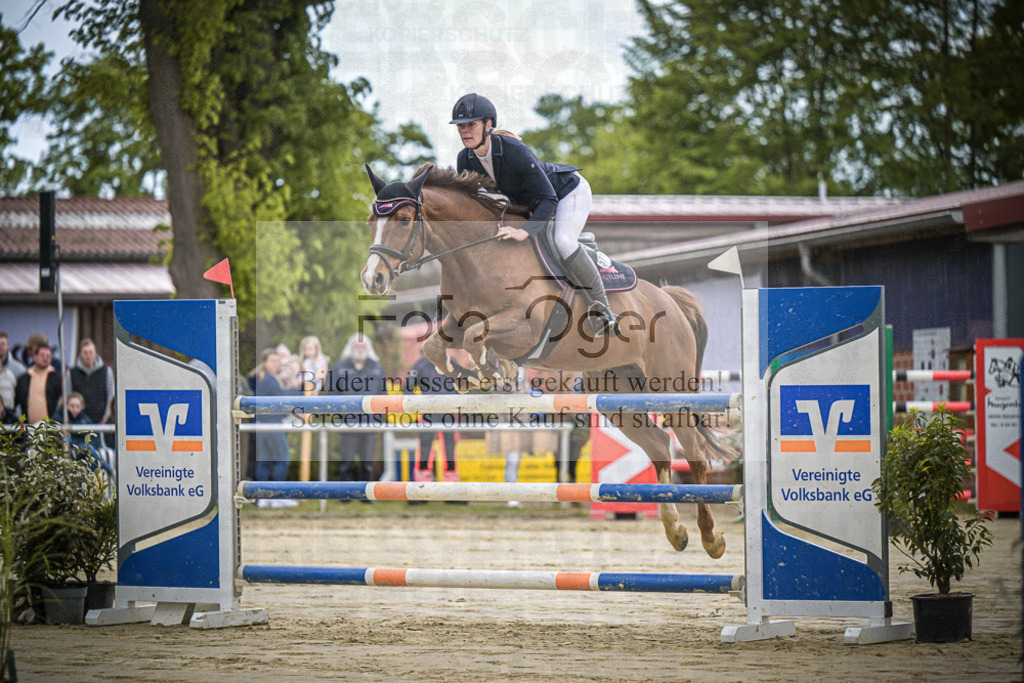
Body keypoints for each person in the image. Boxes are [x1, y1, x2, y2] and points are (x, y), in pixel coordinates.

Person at [450, 92, 620, 337]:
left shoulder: (513, 150)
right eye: (461, 126)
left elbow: (549, 198)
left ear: (488, 125)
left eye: (471, 124)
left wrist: (524, 231)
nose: (465, 131)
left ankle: (603, 311)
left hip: (567, 192)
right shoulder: (464, 159)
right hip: (529, 203)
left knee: (563, 241)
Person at [326, 333, 385, 482]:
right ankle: (346, 494)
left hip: (370, 423)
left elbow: (383, 394)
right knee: (346, 461)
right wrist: (341, 415)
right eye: (357, 345)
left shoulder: (376, 367)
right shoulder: (339, 367)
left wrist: (379, 418)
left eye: (363, 345)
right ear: (351, 347)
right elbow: (332, 392)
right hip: (348, 423)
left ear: (368, 347)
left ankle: (367, 493)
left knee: (367, 463)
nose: (360, 348)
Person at [248, 348, 298, 508]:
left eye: (278, 361)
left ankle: (262, 498)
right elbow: (283, 397)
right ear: (264, 363)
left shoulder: (260, 378)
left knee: (264, 461)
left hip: (261, 424)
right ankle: (277, 496)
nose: (277, 364)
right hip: (272, 424)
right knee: (282, 459)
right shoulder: (269, 379)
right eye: (273, 361)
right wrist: (301, 390)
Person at [406, 350, 459, 482]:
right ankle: (421, 485)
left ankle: (452, 486)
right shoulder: (419, 365)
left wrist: (455, 401)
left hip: (448, 412)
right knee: (425, 446)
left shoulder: (453, 363)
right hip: (427, 412)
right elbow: (407, 386)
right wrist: (418, 403)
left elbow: (463, 385)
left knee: (449, 447)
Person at [53, 391, 112, 475]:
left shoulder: (86, 420)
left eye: (77, 406)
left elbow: (95, 439)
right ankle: (111, 472)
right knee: (86, 448)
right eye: (72, 406)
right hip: (66, 454)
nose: (75, 409)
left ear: (82, 407)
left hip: (83, 455)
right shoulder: (58, 419)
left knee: (89, 457)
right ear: (65, 406)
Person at [69, 338, 114, 427]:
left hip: (101, 423)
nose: (88, 356)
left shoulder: (106, 371)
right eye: (85, 353)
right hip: (78, 424)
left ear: (95, 353)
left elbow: (111, 396)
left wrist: (105, 418)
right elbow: (67, 397)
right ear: (80, 354)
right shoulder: (71, 373)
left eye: (90, 352)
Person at [14, 344, 62, 424]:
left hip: (51, 428)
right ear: (34, 357)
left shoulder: (57, 377)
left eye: (48, 356)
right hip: (28, 428)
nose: (45, 358)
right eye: (42, 355)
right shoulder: (23, 378)